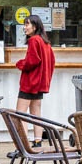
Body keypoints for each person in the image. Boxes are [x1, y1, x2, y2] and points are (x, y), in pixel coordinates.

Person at [16, 14, 55, 142]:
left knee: (20, 114)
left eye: (27, 24)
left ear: (35, 26)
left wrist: (20, 63)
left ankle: (23, 144)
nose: (24, 28)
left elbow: (32, 61)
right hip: (40, 84)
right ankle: (38, 140)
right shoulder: (45, 42)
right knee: (36, 113)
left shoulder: (33, 40)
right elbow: (51, 62)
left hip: (30, 82)